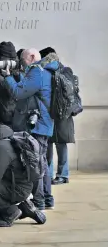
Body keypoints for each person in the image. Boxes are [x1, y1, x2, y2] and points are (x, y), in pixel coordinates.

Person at [0, 48, 60, 210]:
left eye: (22, 59)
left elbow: (18, 92)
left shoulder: (37, 71)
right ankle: (47, 199)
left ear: (32, 57)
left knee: (35, 164)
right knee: (42, 163)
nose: (21, 63)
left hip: (36, 126)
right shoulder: (47, 71)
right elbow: (29, 90)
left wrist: (7, 77)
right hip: (44, 124)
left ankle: (39, 201)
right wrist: (17, 76)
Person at [40, 47, 74, 185]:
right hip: (64, 113)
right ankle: (62, 175)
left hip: (52, 112)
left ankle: (52, 174)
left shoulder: (46, 71)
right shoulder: (66, 70)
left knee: (51, 144)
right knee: (60, 145)